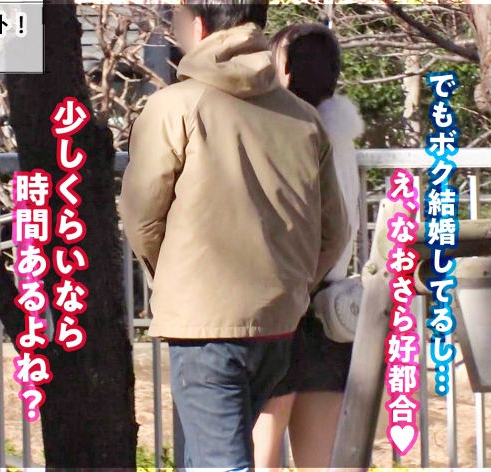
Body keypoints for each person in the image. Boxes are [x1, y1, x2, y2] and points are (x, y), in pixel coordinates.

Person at [118, 2, 350, 469]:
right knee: (223, 455)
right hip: (279, 323)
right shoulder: (304, 118)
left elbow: (141, 217)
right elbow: (335, 231)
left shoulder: (174, 106)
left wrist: (175, 280)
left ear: (198, 24)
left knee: (218, 462)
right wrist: (291, 285)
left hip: (205, 326)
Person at [252, 22, 365, 469]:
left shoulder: (283, 133)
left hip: (282, 309)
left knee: (262, 455)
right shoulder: (341, 137)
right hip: (330, 314)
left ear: (284, 69)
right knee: (323, 462)